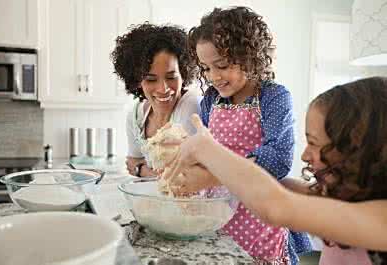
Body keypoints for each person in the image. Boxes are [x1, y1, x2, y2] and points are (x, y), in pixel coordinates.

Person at [165, 77, 387, 264]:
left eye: (315, 143)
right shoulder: (338, 198)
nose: (305, 155)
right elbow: (278, 188)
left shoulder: (382, 219)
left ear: (359, 150)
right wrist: (211, 176)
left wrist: (206, 149)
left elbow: (275, 205)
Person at [185, 6, 311, 264]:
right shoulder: (211, 100)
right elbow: (205, 148)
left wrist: (212, 176)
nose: (213, 77)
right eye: (206, 68)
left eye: (221, 65)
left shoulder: (274, 97)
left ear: (249, 55)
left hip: (260, 215)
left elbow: (278, 158)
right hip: (218, 212)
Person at [111, 23, 199, 177]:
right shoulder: (136, 116)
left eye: (171, 77)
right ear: (137, 81)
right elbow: (131, 162)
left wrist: (141, 170)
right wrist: (141, 169)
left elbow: (184, 176)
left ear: (184, 73)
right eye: (151, 80)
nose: (163, 88)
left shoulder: (191, 105)